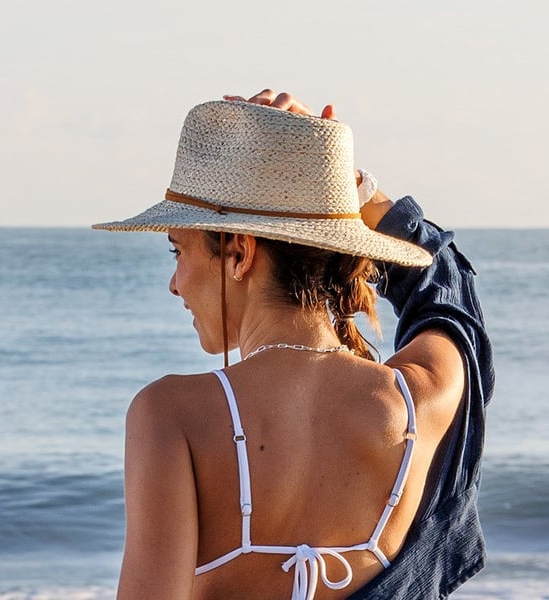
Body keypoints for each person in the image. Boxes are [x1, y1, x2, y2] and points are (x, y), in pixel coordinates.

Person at [94, 90, 494, 599]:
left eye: (177, 250)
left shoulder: (170, 416)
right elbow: (449, 295)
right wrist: (356, 191)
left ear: (239, 251)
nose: (174, 283)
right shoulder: (422, 399)